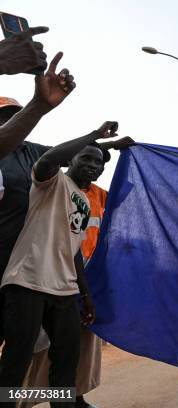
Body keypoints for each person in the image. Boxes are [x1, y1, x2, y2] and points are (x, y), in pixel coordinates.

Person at [0, 121, 119, 403]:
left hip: (64, 291)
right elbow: (50, 158)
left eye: (98, 162)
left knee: (66, 364)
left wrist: (86, 294)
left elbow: (73, 249)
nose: (93, 165)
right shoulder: (50, 181)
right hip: (27, 281)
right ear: (71, 160)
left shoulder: (84, 200)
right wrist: (95, 136)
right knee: (16, 363)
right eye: (86, 158)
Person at [0, 52, 75, 159]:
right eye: (2, 117)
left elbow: (74, 154)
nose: (9, 121)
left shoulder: (32, 151)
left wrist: (40, 105)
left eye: (15, 116)